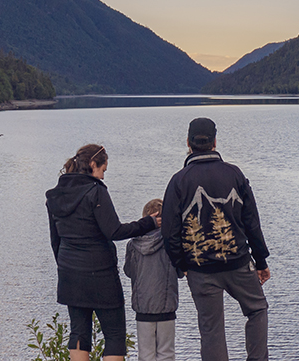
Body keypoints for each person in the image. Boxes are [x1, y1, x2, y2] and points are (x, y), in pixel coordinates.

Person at [161, 117, 271, 361]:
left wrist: (182, 265)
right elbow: (252, 222)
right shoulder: (234, 174)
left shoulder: (178, 181)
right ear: (214, 142)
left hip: (200, 269)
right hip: (238, 264)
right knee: (257, 309)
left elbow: (169, 232)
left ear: (188, 143)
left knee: (211, 330)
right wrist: (260, 262)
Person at [47, 144, 160, 361]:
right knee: (114, 334)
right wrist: (149, 223)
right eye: (103, 170)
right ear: (92, 165)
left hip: (70, 275)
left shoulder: (55, 195)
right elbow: (114, 231)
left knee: (79, 333)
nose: (103, 176)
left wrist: (66, 267)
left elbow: (55, 240)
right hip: (100, 275)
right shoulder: (95, 191)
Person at [123, 198, 181, 361]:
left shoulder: (133, 244)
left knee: (146, 354)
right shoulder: (171, 242)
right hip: (166, 305)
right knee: (166, 353)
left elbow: (129, 271)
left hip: (143, 306)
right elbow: (180, 271)